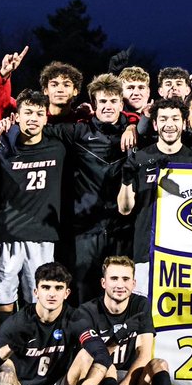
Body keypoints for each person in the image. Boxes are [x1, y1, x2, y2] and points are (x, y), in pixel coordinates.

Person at [0, 90, 68, 341]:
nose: (33, 118)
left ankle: (34, 369)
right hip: (6, 236)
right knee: (3, 305)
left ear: (46, 119)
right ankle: (0, 369)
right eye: (28, 112)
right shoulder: (1, 147)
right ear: (16, 116)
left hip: (41, 238)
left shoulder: (58, 147)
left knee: (41, 306)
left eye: (39, 113)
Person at [46, 74, 133, 305]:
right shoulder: (77, 133)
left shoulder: (136, 135)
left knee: (118, 294)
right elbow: (39, 128)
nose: (108, 107)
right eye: (102, 102)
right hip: (84, 230)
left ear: (121, 105)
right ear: (93, 105)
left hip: (120, 230)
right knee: (83, 292)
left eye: (113, 101)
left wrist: (133, 125)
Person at [80, 257, 176, 385]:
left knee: (159, 364)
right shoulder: (88, 311)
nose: (120, 285)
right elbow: (92, 359)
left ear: (133, 283)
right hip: (100, 382)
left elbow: (144, 354)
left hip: (130, 382)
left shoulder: (140, 306)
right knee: (107, 368)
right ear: (103, 282)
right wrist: (118, 337)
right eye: (114, 279)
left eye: (125, 279)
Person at [118, 98, 192, 295]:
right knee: (144, 313)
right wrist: (127, 179)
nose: (169, 125)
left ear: (184, 123)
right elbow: (125, 209)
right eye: (163, 119)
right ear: (155, 124)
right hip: (146, 248)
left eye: (175, 119)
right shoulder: (139, 158)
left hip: (183, 252)